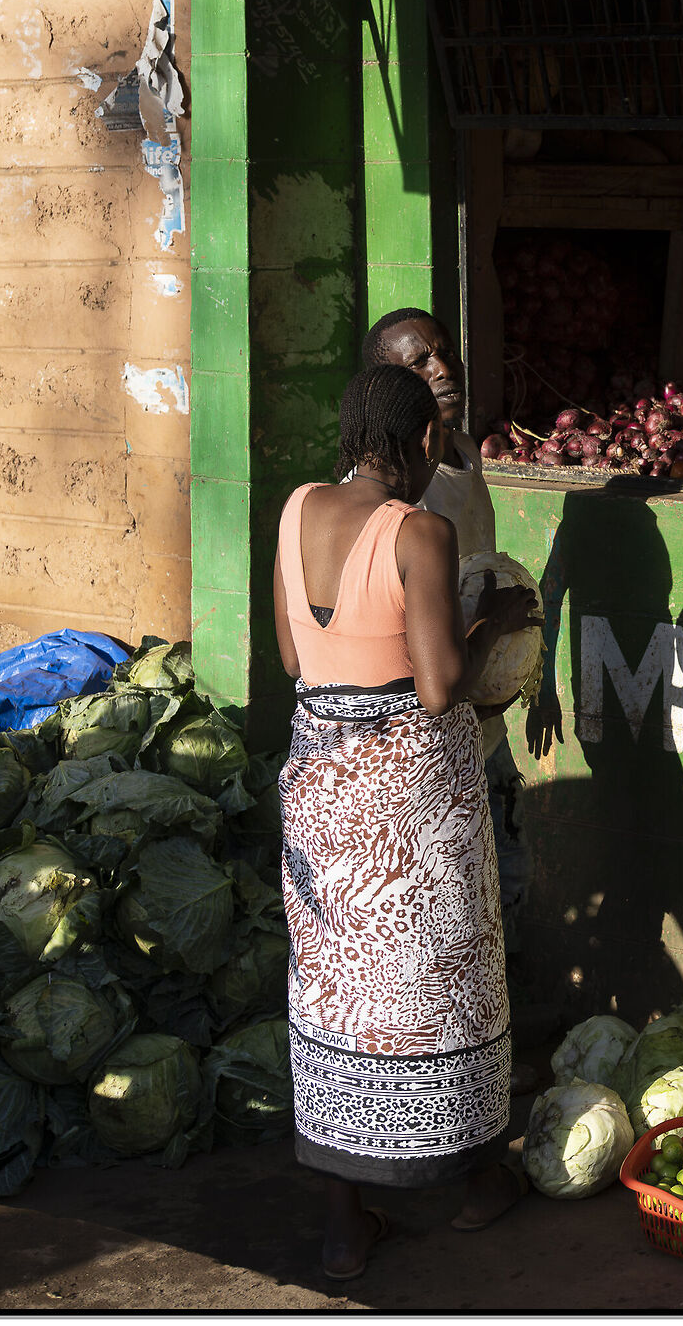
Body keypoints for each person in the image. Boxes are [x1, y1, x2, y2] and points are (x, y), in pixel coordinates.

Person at [271, 364, 541, 1279]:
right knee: (440, 982)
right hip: (409, 810)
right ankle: (479, 1182)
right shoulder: (419, 531)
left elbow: (293, 656)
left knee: (337, 990)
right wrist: (489, 618)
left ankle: (344, 1227)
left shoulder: (295, 511)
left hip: (321, 797)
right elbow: (437, 686)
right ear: (425, 440)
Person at [362, 308, 541, 1094]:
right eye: (417, 362)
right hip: (441, 724)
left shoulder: (463, 457)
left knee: (503, 888)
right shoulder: (403, 493)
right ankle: (465, 1074)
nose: (442, 369)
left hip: (482, 721)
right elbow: (419, 645)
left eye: (443, 352)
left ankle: (490, 1054)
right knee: (462, 911)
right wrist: (488, 629)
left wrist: (528, 676)